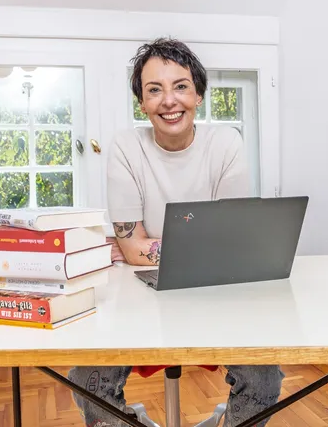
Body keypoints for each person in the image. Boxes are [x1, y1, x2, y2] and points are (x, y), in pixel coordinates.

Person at [67, 38, 284, 427]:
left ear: (198, 94)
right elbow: (133, 251)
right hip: (137, 291)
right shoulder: (124, 147)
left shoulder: (226, 143)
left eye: (180, 86)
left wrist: (142, 242)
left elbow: (231, 241)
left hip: (213, 290)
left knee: (264, 377)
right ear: (142, 102)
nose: (169, 100)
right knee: (87, 378)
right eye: (155, 90)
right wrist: (148, 245)